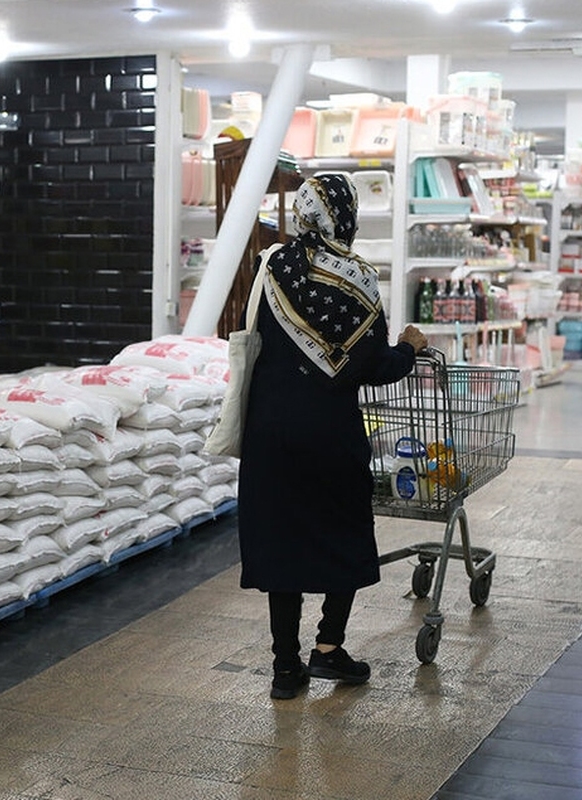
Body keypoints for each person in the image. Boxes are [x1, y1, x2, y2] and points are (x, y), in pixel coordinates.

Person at [237, 172, 428, 700]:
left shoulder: (272, 266)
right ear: (345, 217)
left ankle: (284, 668)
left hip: (270, 431)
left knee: (281, 540)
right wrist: (410, 349)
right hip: (328, 434)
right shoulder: (357, 277)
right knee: (340, 531)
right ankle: (328, 649)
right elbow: (371, 365)